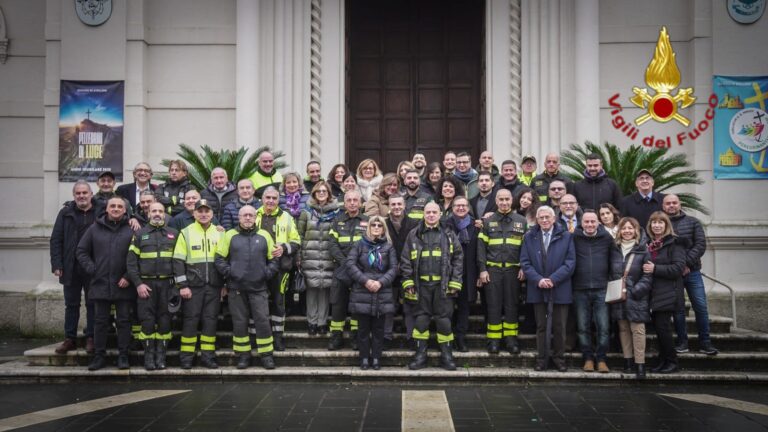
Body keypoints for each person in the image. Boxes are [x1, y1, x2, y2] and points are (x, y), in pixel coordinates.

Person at [215, 205, 280, 369]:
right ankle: (243, 356)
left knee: (263, 321)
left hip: (259, 288)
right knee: (239, 322)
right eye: (244, 215)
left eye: (251, 215)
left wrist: (266, 273)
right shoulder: (229, 235)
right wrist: (231, 272)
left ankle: (266, 356)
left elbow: (274, 259)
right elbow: (219, 259)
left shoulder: (265, 235)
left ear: (255, 217)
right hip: (236, 288)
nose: (248, 218)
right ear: (239, 217)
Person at [402, 202, 464, 371]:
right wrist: (408, 283)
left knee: (444, 321)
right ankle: (420, 355)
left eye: (433, 212)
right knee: (421, 320)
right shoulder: (413, 235)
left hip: (442, 287)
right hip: (421, 286)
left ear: (440, 214)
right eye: (427, 212)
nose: (430, 215)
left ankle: (447, 356)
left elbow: (458, 259)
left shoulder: (449, 234)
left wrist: (455, 282)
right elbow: (406, 261)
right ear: (423, 214)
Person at [76, 196, 135, 371]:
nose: (116, 209)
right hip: (100, 283)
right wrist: (92, 269)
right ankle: (99, 357)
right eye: (112, 206)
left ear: (125, 210)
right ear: (107, 209)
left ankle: (123, 356)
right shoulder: (95, 228)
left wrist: (128, 276)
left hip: (124, 284)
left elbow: (137, 256)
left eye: (119, 206)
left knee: (124, 321)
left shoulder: (131, 230)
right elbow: (81, 251)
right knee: (100, 322)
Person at [520, 206, 575, 372]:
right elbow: (525, 262)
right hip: (538, 288)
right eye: (541, 217)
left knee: (559, 326)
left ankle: (559, 359)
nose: (544, 220)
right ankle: (541, 359)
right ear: (537, 220)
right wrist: (538, 280)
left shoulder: (566, 236)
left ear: (554, 219)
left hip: (560, 288)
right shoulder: (529, 237)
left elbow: (570, 262)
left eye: (547, 217)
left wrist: (553, 279)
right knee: (542, 326)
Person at [172, 199, 224, 369]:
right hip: (192, 287)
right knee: (190, 321)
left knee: (210, 321)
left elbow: (225, 260)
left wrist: (225, 285)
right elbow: (178, 261)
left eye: (206, 211)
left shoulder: (220, 233)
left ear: (212, 214)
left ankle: (208, 357)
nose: (203, 214)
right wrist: (183, 285)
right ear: (194, 213)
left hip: (214, 287)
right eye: (199, 211)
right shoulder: (185, 233)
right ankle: (186, 358)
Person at [664, 194, 718, 355]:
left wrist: (686, 263)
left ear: (679, 205)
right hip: (674, 274)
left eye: (674, 203)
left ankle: (705, 342)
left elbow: (700, 245)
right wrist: (678, 267)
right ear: (663, 206)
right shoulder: (660, 223)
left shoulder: (693, 222)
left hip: (692, 272)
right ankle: (682, 342)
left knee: (700, 307)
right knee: (678, 310)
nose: (671, 206)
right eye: (668, 203)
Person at [125, 202, 177, 371]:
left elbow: (180, 262)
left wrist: (177, 285)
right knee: (147, 321)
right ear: (148, 214)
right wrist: (138, 284)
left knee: (165, 321)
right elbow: (131, 263)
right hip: (146, 285)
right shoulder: (139, 235)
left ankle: (161, 357)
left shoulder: (174, 234)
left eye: (160, 211)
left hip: (168, 285)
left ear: (165, 215)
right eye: (154, 211)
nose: (157, 214)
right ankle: (149, 357)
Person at [571, 210, 623, 373]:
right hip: (580, 288)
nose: (590, 225)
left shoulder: (607, 238)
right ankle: (587, 358)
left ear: (598, 222)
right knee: (582, 326)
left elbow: (614, 259)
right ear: (581, 223)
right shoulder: (574, 237)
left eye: (593, 221)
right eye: (586, 222)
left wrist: (616, 279)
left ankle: (601, 359)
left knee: (603, 326)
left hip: (602, 288)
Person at [477, 189, 527, 355]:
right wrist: (482, 270)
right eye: (501, 199)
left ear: (512, 200)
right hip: (493, 270)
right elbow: (481, 249)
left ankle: (511, 340)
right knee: (493, 305)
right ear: (496, 201)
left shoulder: (521, 221)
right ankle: (494, 340)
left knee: (512, 305)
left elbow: (526, 248)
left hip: (513, 270)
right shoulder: (488, 221)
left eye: (507, 199)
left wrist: (523, 267)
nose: (504, 202)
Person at [50, 180, 96, 355]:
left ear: (91, 194)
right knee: (71, 304)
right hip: (70, 267)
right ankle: (70, 339)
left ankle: (91, 337)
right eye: (78, 193)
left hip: (92, 266)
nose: (82, 196)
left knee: (93, 304)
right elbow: (56, 240)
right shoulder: (65, 213)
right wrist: (56, 264)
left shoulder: (99, 211)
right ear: (74, 195)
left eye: (85, 193)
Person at [347, 215, 398, 370]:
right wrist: (365, 281)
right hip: (363, 291)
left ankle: (376, 358)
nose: (376, 227)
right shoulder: (359, 245)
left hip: (382, 292)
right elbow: (350, 264)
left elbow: (394, 268)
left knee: (378, 329)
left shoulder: (389, 247)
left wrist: (380, 282)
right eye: (373, 225)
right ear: (369, 227)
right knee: (362, 329)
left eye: (379, 225)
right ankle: (363, 358)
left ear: (383, 228)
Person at [254, 187, 301, 351]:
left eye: (274, 198)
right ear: (262, 199)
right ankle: (257, 337)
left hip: (281, 268)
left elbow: (296, 242)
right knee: (257, 303)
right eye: (268, 198)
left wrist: (284, 248)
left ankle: (278, 338)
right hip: (257, 267)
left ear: (278, 200)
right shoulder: (254, 214)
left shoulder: (286, 216)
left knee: (278, 303)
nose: (271, 201)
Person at [644, 211, 686, 374]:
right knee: (660, 330)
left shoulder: (675, 243)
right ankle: (663, 360)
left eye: (660, 222)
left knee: (664, 330)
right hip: (654, 293)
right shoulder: (650, 244)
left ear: (666, 225)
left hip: (669, 293)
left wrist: (655, 268)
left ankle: (672, 361)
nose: (657, 225)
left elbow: (678, 268)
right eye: (654, 222)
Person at [611, 217, 652, 379]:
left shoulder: (643, 250)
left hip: (636, 296)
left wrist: (635, 291)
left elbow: (648, 276)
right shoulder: (614, 249)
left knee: (638, 330)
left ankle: (640, 364)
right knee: (623, 329)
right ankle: (627, 361)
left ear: (636, 230)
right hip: (618, 295)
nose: (627, 231)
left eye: (630, 228)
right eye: (624, 228)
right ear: (619, 231)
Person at [328, 190, 369, 350]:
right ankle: (336, 337)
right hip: (341, 270)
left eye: (355, 200)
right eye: (349, 200)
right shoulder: (337, 222)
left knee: (357, 306)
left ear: (360, 203)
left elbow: (371, 245)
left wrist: (356, 265)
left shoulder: (367, 221)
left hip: (360, 271)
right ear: (344, 203)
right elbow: (332, 245)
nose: (352, 203)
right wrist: (346, 263)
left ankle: (356, 337)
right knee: (338, 305)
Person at [298, 181, 341, 335]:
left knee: (325, 290)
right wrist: (299, 257)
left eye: (324, 191)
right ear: (314, 193)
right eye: (318, 191)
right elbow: (300, 235)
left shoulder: (336, 212)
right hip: (310, 256)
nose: (321, 193)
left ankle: (322, 322)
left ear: (329, 193)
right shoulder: (306, 212)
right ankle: (312, 322)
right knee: (312, 290)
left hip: (329, 256)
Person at [443, 196, 479, 352]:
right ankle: (448, 338)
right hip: (448, 272)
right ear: (452, 208)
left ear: (468, 207)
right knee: (448, 308)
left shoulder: (476, 225)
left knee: (464, 307)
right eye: (457, 205)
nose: (461, 208)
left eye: (464, 205)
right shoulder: (445, 224)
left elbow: (479, 250)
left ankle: (461, 338)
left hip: (468, 272)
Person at [385, 193, 419, 347]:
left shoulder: (414, 223)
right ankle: (386, 337)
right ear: (389, 207)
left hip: (409, 271)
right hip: (388, 272)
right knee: (388, 305)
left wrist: (406, 265)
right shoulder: (383, 224)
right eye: (393, 204)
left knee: (410, 306)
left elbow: (418, 247)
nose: (396, 207)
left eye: (399, 204)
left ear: (405, 206)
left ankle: (411, 337)